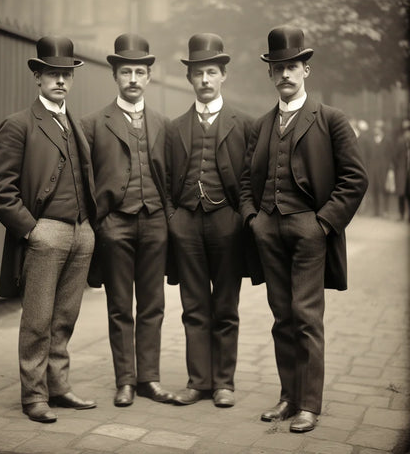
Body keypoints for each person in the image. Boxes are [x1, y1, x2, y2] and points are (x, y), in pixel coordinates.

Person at [239, 26, 368, 432]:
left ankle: (309, 404)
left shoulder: (330, 119)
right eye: (278, 68)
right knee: (282, 317)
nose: (285, 74)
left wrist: (323, 223)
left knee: (306, 316)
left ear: (306, 70)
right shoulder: (261, 125)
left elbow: (355, 179)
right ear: (271, 74)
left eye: (292, 66)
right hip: (269, 232)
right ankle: (287, 397)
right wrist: (253, 220)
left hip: (310, 230)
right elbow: (245, 182)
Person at [0, 36, 97, 423]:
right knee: (37, 320)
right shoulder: (18, 125)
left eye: (66, 74)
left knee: (65, 317)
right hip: (45, 232)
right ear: (38, 76)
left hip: (81, 233)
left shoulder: (74, 123)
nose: (61, 81)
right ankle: (34, 396)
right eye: (53, 73)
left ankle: (59, 387)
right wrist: (32, 231)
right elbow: (0, 190)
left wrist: (89, 228)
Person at [80, 33, 174, 407]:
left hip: (155, 224)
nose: (133, 78)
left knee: (153, 304)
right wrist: (99, 222)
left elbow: (172, 176)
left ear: (148, 77)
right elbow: (86, 182)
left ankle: (149, 378)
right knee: (120, 306)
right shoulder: (92, 124)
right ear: (115, 75)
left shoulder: (164, 124)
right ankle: (125, 381)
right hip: (114, 224)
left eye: (139, 71)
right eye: (126, 71)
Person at [166, 33, 255, 408]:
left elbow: (253, 176)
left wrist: (239, 218)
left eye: (212, 72)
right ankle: (198, 381)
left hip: (226, 223)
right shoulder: (174, 127)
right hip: (186, 223)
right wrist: (173, 218)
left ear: (223, 76)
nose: (204, 80)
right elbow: (166, 176)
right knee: (193, 306)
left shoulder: (245, 124)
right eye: (198, 73)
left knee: (226, 307)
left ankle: (224, 384)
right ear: (190, 78)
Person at [394, 119, 410, 221]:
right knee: (401, 193)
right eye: (405, 130)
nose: (407, 133)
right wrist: (398, 167)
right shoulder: (400, 142)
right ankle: (401, 214)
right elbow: (395, 156)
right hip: (402, 171)